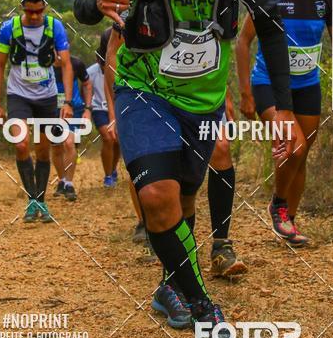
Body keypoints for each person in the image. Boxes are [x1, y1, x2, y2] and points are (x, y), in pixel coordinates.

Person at [74, 0, 296, 338]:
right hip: (142, 89)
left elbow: (269, 25)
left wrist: (281, 107)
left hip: (204, 99)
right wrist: (98, 1)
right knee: (157, 195)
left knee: (185, 197)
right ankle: (205, 311)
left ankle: (169, 285)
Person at [236, 0, 333, 246]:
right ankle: (278, 205)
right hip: (269, 85)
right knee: (294, 146)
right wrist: (246, 92)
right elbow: (243, 41)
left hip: (307, 86)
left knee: (301, 157)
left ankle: (288, 222)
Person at [104, 23, 247, 276]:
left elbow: (214, 44)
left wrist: (225, 93)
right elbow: (114, 52)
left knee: (221, 148)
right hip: (152, 97)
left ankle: (221, 246)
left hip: (200, 97)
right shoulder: (135, 1)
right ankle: (168, 247)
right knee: (159, 173)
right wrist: (119, 108)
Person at [0, 0, 74, 224]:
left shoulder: (55, 27)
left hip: (46, 96)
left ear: (45, 7)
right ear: (22, 8)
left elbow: (66, 65)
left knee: (42, 149)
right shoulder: (9, 29)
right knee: (20, 143)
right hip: (18, 94)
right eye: (30, 11)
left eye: (39, 11)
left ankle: (40, 200)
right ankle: (32, 199)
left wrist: (68, 101)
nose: (36, 16)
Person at [52, 52, 92, 202]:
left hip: (73, 110)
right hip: (52, 110)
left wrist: (88, 109)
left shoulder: (76, 64)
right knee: (56, 147)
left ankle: (69, 184)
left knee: (69, 143)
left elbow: (87, 84)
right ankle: (61, 180)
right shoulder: (44, 65)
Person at [90, 29, 120, 188]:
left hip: (118, 106)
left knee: (118, 141)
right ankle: (108, 176)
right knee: (108, 138)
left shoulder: (122, 68)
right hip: (99, 108)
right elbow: (86, 89)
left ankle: (113, 169)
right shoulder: (91, 72)